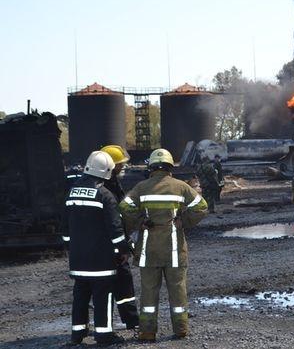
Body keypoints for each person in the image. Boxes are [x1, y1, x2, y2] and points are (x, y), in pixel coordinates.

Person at [119, 148, 208, 341]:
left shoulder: (141, 187)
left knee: (149, 291)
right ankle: (181, 329)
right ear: (170, 167)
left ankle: (147, 331)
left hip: (148, 252)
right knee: (177, 290)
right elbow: (201, 206)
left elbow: (124, 206)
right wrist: (183, 220)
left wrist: (140, 220)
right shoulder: (181, 187)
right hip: (174, 250)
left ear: (151, 167)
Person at [61, 151, 129, 346]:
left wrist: (71, 247)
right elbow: (115, 228)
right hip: (101, 260)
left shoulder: (72, 191)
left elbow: (64, 226)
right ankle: (104, 335)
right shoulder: (105, 195)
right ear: (107, 171)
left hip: (78, 258)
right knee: (103, 296)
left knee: (80, 295)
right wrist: (122, 250)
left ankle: (77, 334)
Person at [100, 145, 139, 330]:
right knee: (118, 282)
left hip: (114, 242)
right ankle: (127, 321)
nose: (122, 167)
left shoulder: (112, 182)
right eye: (119, 164)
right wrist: (122, 246)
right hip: (111, 244)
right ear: (110, 165)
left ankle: (130, 319)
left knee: (123, 282)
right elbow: (113, 219)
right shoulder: (105, 187)